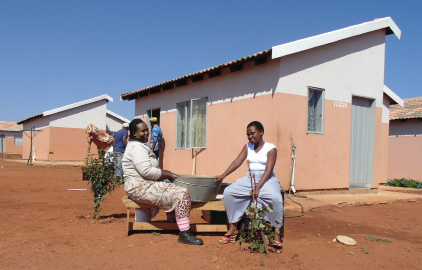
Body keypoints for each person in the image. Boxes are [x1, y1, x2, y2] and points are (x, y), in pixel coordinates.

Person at [122, 118, 203, 245]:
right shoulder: (137, 148)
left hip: (142, 184)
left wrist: (166, 176)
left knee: (171, 186)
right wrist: (168, 173)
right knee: (182, 194)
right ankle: (184, 233)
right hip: (140, 186)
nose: (147, 133)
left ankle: (172, 223)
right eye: (143, 131)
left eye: (147, 130)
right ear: (133, 133)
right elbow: (147, 172)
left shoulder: (137, 146)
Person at [216, 121, 283, 246]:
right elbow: (237, 161)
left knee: (275, 197)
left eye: (253, 133)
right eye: (248, 134)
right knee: (229, 192)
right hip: (250, 178)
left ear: (261, 132)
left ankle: (276, 233)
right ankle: (233, 227)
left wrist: (257, 188)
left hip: (266, 179)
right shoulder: (247, 146)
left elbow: (268, 170)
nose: (250, 136)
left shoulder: (271, 148)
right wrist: (223, 175)